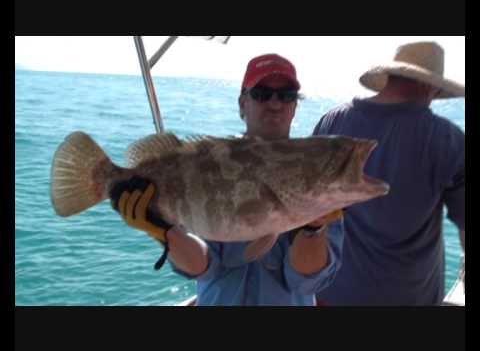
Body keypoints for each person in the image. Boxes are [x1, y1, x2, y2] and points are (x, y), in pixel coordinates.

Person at [110, 53, 344, 306]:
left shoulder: (317, 174)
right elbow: (202, 267)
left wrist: (313, 229)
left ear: (295, 107)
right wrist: (164, 231)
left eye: (286, 95)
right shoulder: (210, 167)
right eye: (262, 93)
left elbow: (307, 281)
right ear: (243, 104)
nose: (275, 103)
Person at [312, 41, 465, 305]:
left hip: (330, 293)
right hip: (410, 298)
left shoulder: (332, 121)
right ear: (431, 86)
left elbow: (308, 211)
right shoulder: (448, 139)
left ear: (388, 77)